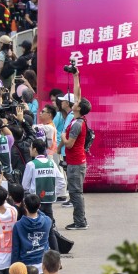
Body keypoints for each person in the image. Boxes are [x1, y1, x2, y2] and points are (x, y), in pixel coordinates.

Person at [60, 68, 89, 231]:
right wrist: (76, 75)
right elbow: (78, 93)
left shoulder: (77, 124)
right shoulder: (79, 118)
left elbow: (69, 144)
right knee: (76, 192)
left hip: (76, 163)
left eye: (76, 103)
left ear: (78, 108)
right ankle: (81, 219)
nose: (74, 102)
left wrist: (63, 136)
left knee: (76, 193)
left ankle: (80, 222)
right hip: (76, 162)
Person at [11, 194, 51, 273]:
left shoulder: (18, 225)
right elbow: (43, 215)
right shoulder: (47, 221)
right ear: (39, 206)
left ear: (25, 206)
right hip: (43, 263)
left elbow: (16, 249)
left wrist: (13, 266)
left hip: (26, 264)